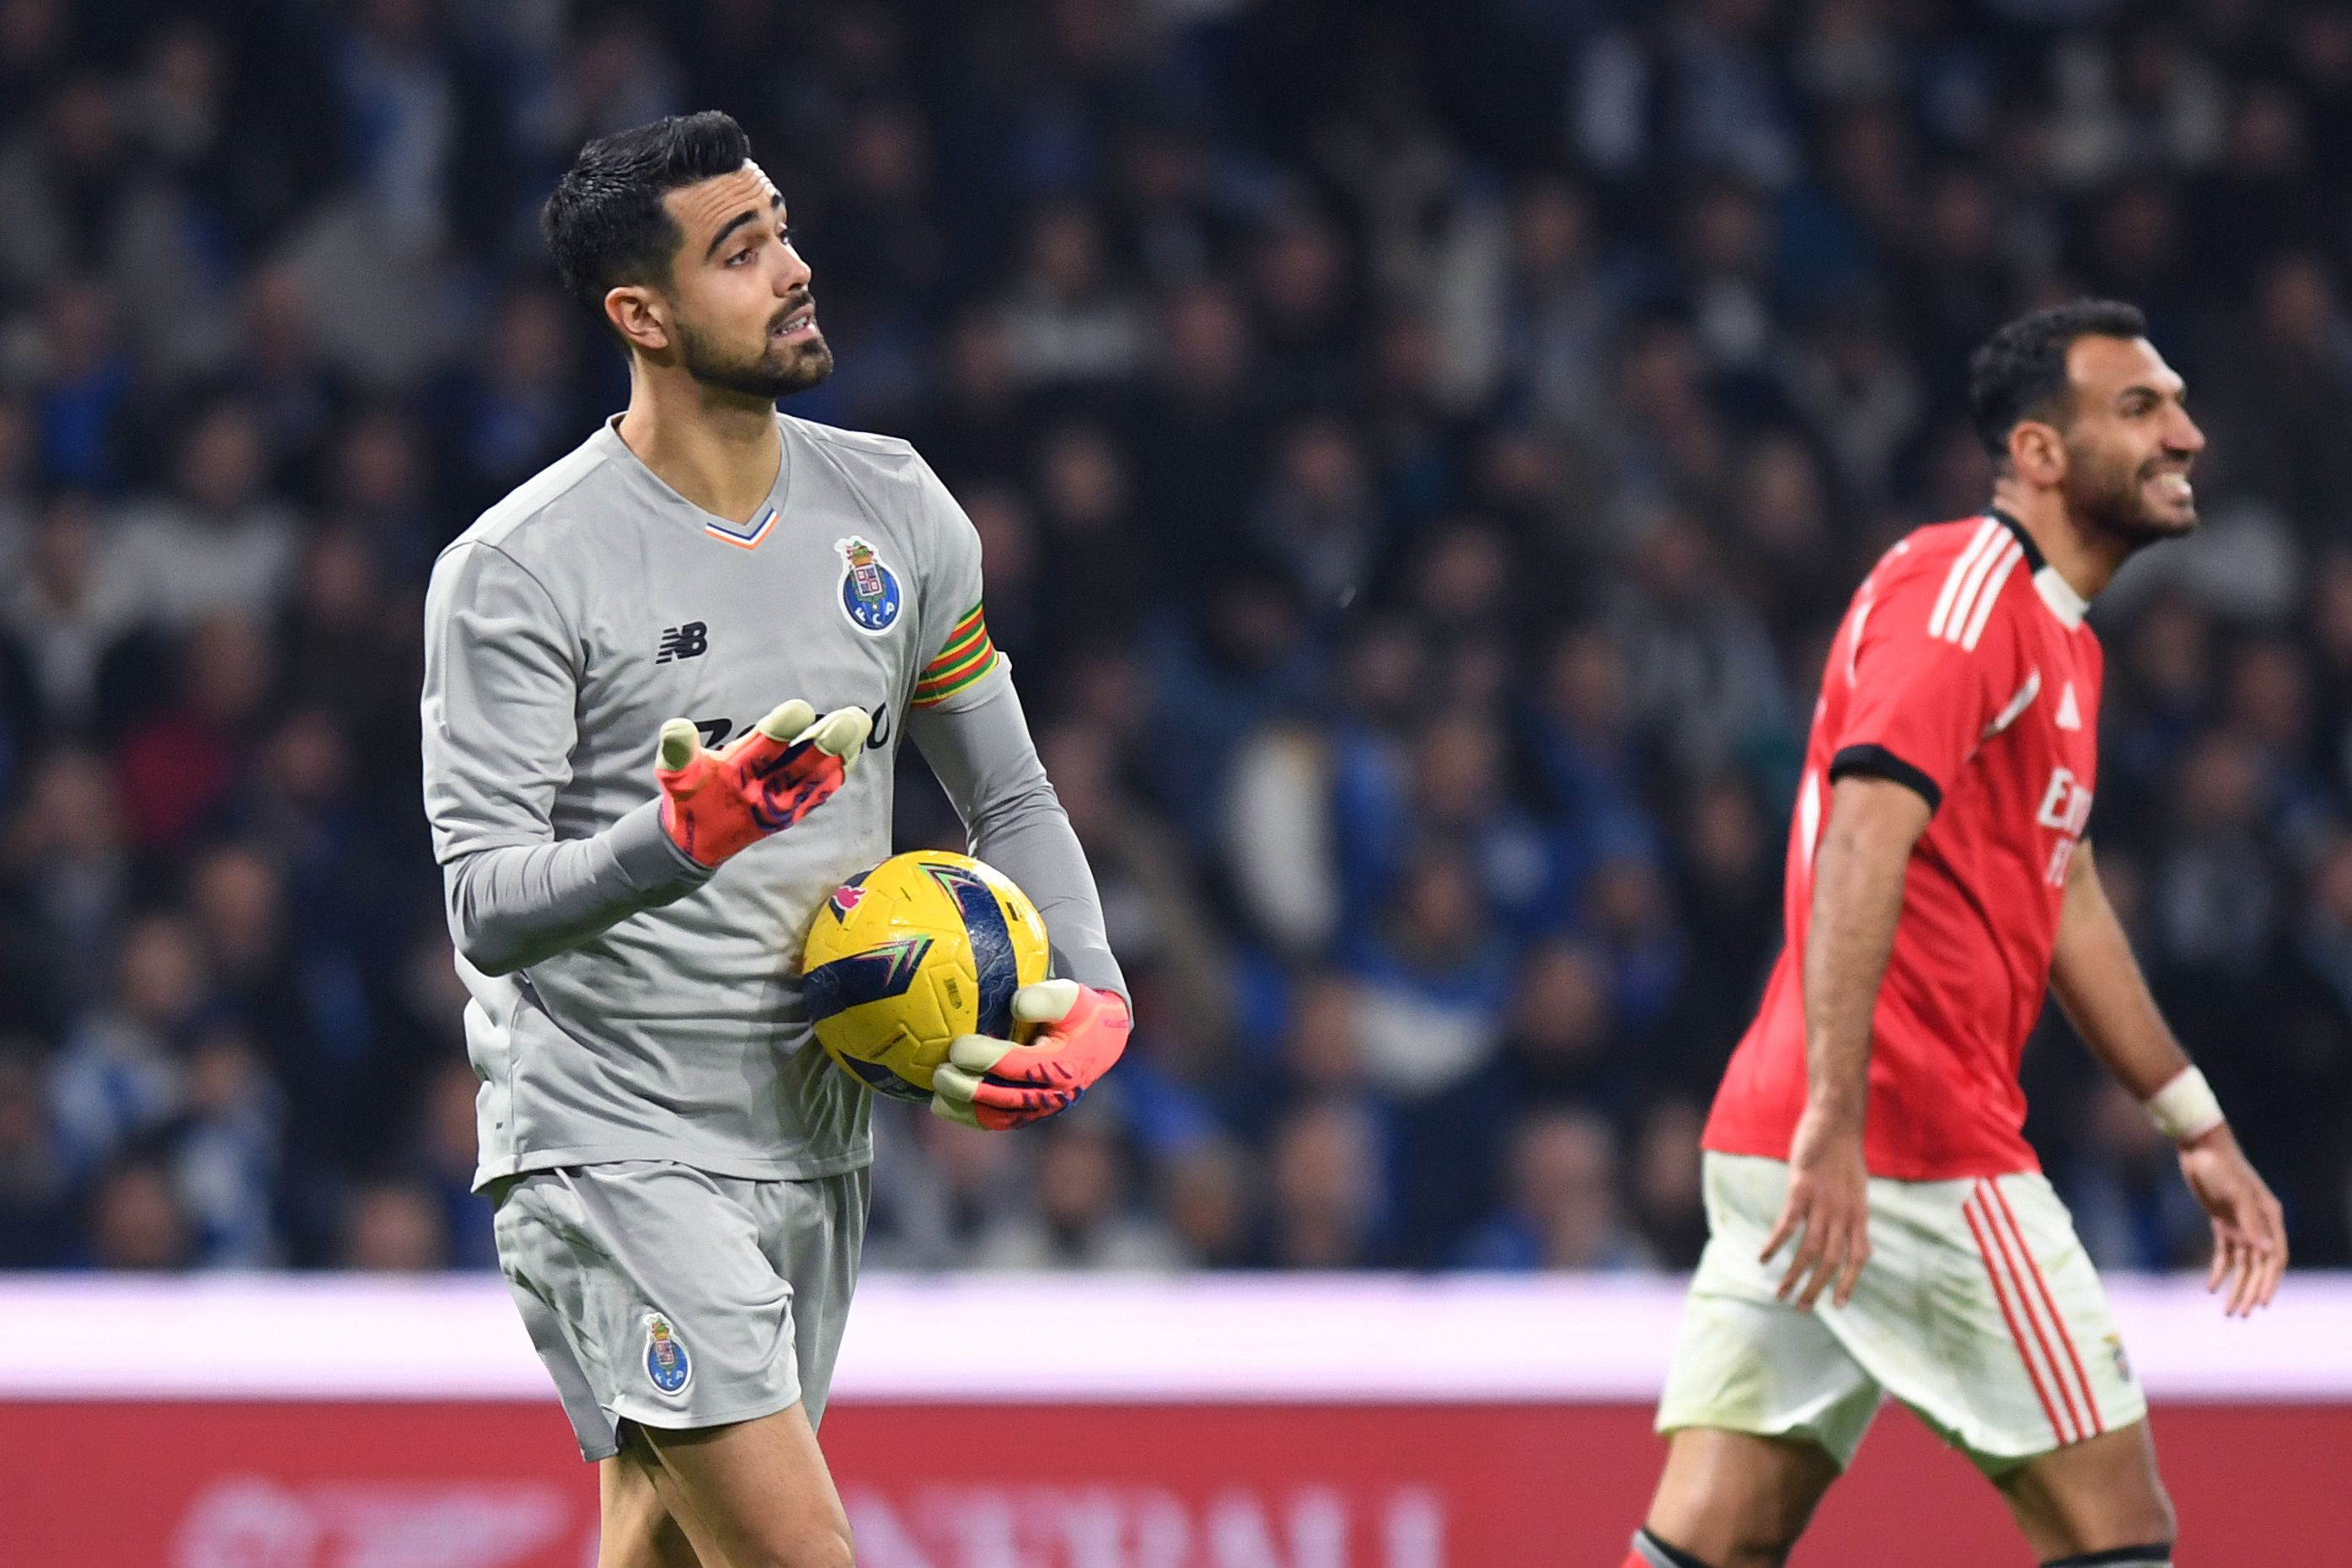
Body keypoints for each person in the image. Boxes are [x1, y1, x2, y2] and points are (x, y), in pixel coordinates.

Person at [420, 112, 1129, 1568]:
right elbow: (487, 903)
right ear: (644, 315)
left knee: (667, 1546)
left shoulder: (898, 511)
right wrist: (678, 842)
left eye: (783, 229)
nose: (796, 269)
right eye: (742, 253)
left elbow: (1010, 798)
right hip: (613, 1136)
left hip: (817, 1130)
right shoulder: (517, 569)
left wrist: (1101, 989)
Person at [1626, 301, 2287, 1568]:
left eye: (2181, 404)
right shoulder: (1966, 588)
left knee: (1718, 1530)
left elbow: (2065, 891)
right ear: (2040, 452)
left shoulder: (2062, 644)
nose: (2186, 435)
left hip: (1807, 1139)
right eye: (2141, 408)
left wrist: (2190, 1119)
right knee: (2117, 1527)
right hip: (1898, 1138)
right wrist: (1841, 1113)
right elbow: (1867, 829)